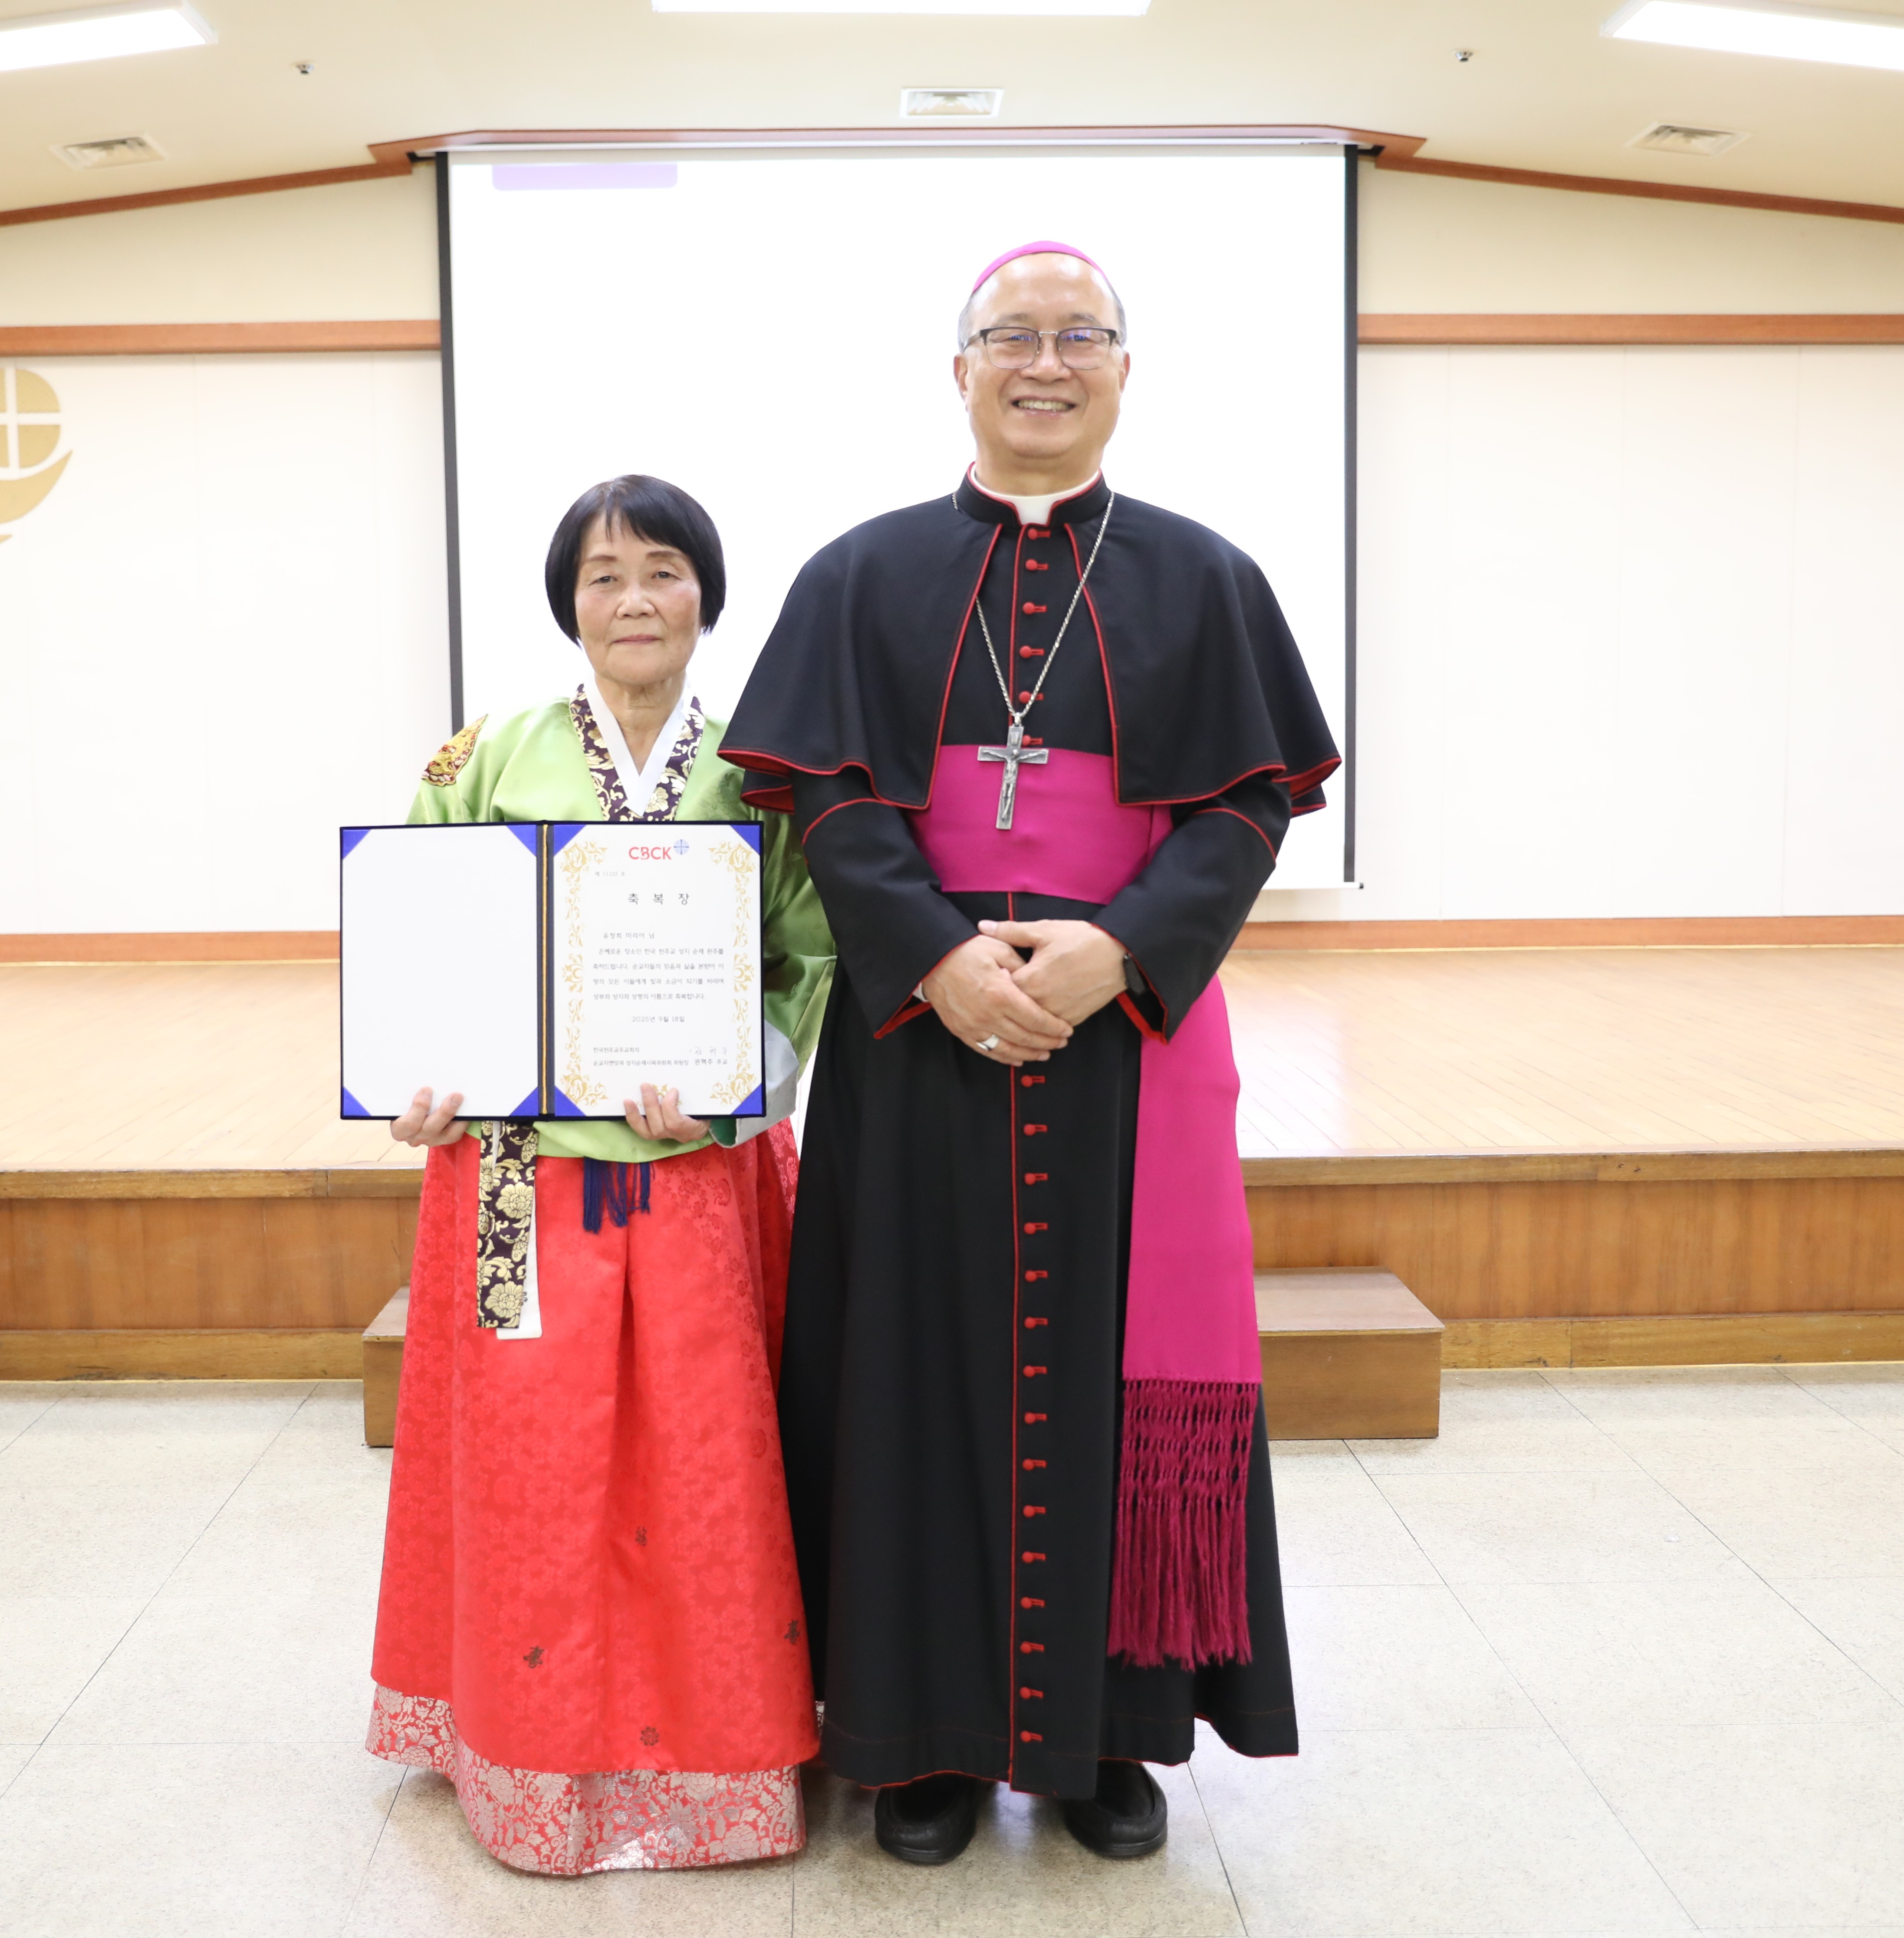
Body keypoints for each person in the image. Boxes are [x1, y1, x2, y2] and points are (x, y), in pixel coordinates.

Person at [720, 243, 1338, 1865]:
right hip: (919, 1038)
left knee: (1114, 1389)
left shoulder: (1208, 580)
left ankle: (1106, 1744)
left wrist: (1110, 950)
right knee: (905, 1370)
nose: (1045, 362)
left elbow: (1247, 803)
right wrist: (935, 954)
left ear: (1126, 371)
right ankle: (918, 1739)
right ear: (962, 370)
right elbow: (831, 797)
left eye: (1081, 337)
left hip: (1126, 1035)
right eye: (1013, 336)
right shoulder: (862, 575)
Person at [366, 475, 835, 1876]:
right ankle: (523, 1742)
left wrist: (725, 1084)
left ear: (709, 592)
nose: (635, 600)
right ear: (568, 603)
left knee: (706, 1460)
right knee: (529, 1457)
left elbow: (808, 953)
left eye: (664, 572)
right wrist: (423, 1072)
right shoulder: (487, 756)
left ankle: (718, 1752)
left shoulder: (766, 768)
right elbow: (420, 921)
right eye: (604, 576)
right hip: (511, 1174)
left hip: (694, 1169)